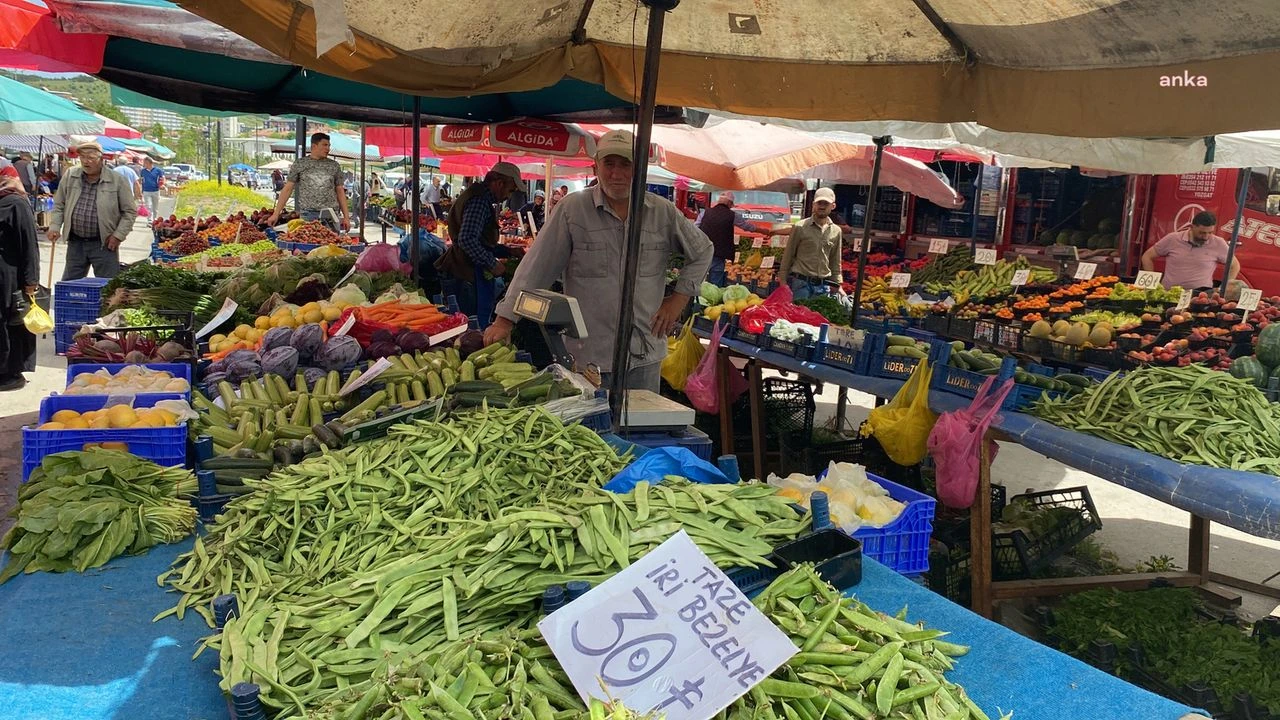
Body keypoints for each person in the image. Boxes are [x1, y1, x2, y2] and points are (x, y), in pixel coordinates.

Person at [483, 130, 713, 391]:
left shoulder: (663, 212)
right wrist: (505, 319)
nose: (617, 173)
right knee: (590, 429)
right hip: (588, 356)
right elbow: (536, 266)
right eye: (609, 164)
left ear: (638, 168)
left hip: (644, 354)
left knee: (640, 428)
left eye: (626, 164)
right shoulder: (572, 209)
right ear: (596, 166)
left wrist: (679, 299)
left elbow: (703, 250)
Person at [435, 161, 524, 328]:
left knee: (466, 324)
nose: (510, 196)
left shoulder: (478, 196)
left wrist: (508, 251)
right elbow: (467, 239)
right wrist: (492, 263)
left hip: (463, 270)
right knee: (470, 327)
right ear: (499, 184)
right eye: (510, 190)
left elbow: (479, 241)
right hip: (466, 273)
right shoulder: (479, 201)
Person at [49, 141, 137, 280]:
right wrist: (54, 226)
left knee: (108, 287)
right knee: (71, 285)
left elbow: (130, 212)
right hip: (76, 243)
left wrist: (118, 235)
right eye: (82, 157)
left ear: (101, 159)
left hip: (104, 243)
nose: (85, 162)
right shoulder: (71, 175)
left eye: (90, 158)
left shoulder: (117, 180)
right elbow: (59, 204)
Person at [0, 160, 39, 391]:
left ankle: (9, 372)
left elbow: (29, 245)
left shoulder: (16, 203)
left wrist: (31, 280)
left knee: (9, 321)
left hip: (9, 276)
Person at [266, 132, 350, 231]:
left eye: (329, 145)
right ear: (314, 146)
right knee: (308, 243)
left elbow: (340, 191)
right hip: (308, 214)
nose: (328, 149)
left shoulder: (334, 166)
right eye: (324, 145)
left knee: (332, 244)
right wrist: (276, 214)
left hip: (331, 215)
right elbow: (287, 189)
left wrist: (346, 217)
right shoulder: (300, 164)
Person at [1141, 210, 1240, 291]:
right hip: (1168, 294)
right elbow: (1147, 257)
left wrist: (1223, 289)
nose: (1206, 237)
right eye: (1202, 233)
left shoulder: (1218, 243)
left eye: (1210, 232)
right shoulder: (1173, 239)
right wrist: (1152, 284)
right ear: (1192, 227)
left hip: (1199, 298)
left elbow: (1235, 266)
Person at [773, 187, 843, 299]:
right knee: (797, 315)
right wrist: (783, 280)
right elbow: (788, 254)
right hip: (801, 284)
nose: (822, 206)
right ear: (813, 204)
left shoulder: (836, 231)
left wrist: (837, 282)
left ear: (833, 206)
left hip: (823, 286)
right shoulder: (800, 227)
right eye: (819, 203)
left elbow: (835, 259)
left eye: (826, 203)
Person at [698, 191, 769, 286]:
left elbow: (695, 227)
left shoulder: (705, 213)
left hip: (703, 251)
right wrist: (763, 231)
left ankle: (698, 297)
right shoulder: (733, 215)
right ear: (729, 203)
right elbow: (747, 226)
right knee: (715, 281)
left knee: (700, 279)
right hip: (719, 252)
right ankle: (711, 298)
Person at [139, 157, 165, 223]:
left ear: (149, 163)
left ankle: (155, 219)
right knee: (149, 206)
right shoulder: (143, 171)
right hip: (146, 191)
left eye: (145, 163)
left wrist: (162, 184)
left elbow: (162, 178)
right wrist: (140, 190)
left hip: (155, 190)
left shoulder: (158, 170)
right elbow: (141, 180)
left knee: (155, 207)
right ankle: (150, 220)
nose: (144, 164)